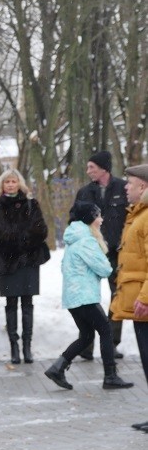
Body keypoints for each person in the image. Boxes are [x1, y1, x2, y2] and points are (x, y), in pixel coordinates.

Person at [44, 202, 133, 391]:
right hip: (84, 296)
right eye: (98, 216)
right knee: (106, 330)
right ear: (89, 219)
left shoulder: (73, 239)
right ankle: (110, 376)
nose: (101, 220)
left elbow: (64, 267)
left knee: (86, 336)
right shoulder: (86, 240)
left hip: (73, 296)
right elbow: (104, 268)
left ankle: (57, 367)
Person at [0, 169, 49, 364]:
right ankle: (14, 346)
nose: (11, 185)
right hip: (7, 262)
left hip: (29, 261)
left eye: (14, 181)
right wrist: (21, 237)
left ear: (19, 183)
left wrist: (20, 238)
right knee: (11, 304)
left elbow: (40, 230)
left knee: (28, 304)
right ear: (2, 185)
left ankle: (27, 347)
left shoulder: (31, 203)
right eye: (7, 182)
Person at [75, 150, 128, 358]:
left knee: (117, 296)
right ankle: (86, 345)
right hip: (91, 253)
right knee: (88, 298)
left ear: (104, 168)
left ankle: (111, 343)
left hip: (117, 253)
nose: (88, 171)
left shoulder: (124, 189)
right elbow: (75, 219)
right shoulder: (84, 193)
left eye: (92, 167)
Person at [110, 166, 148, 401]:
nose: (125, 187)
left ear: (143, 187)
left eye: (130, 183)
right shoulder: (138, 214)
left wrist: (145, 298)